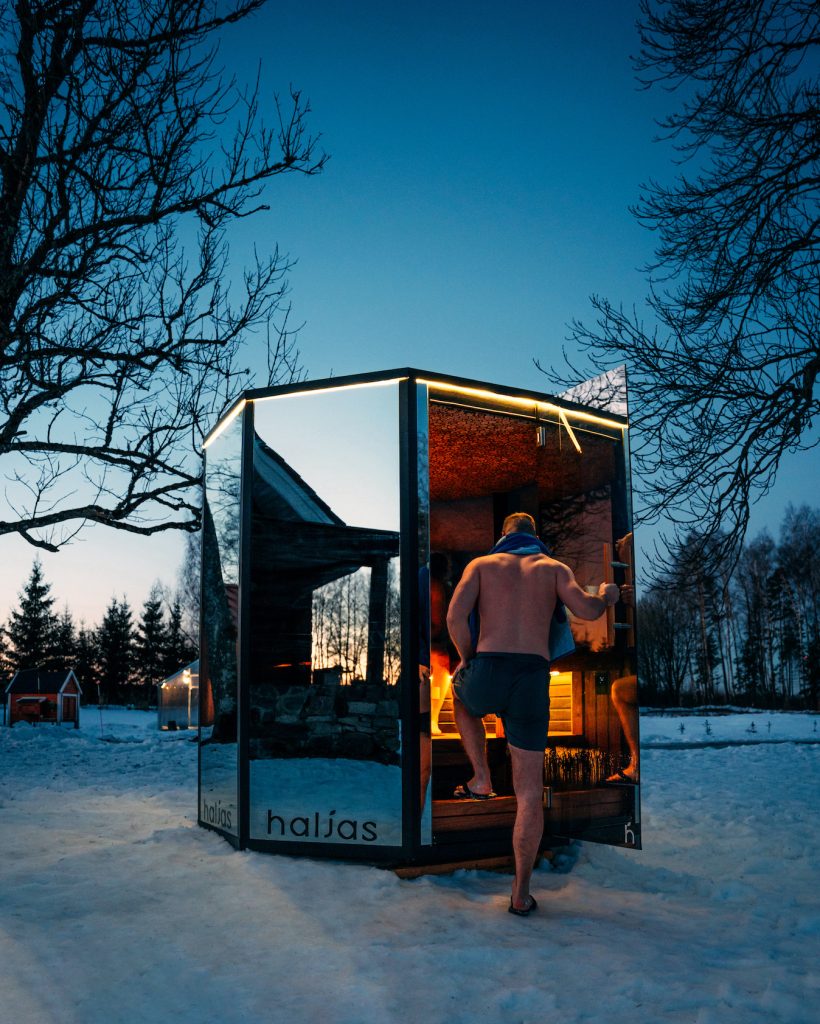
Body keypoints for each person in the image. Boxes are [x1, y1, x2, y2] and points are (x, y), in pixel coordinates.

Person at [446, 512, 619, 916]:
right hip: (532, 676)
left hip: (488, 664)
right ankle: (521, 895)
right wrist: (609, 596)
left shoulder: (482, 565)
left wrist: (469, 661)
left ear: (503, 535)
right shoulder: (554, 568)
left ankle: (482, 776)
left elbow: (454, 617)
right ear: (535, 537)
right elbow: (589, 611)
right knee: (528, 793)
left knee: (460, 700)